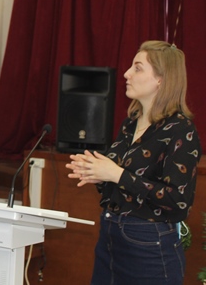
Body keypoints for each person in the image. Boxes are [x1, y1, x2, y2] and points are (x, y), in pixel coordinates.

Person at [65, 40, 202, 285]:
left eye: (137, 68)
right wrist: (96, 173)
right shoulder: (130, 124)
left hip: (149, 245)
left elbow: (178, 200)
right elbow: (122, 187)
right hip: (110, 236)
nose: (127, 74)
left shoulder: (181, 129)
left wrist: (116, 174)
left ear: (161, 79)